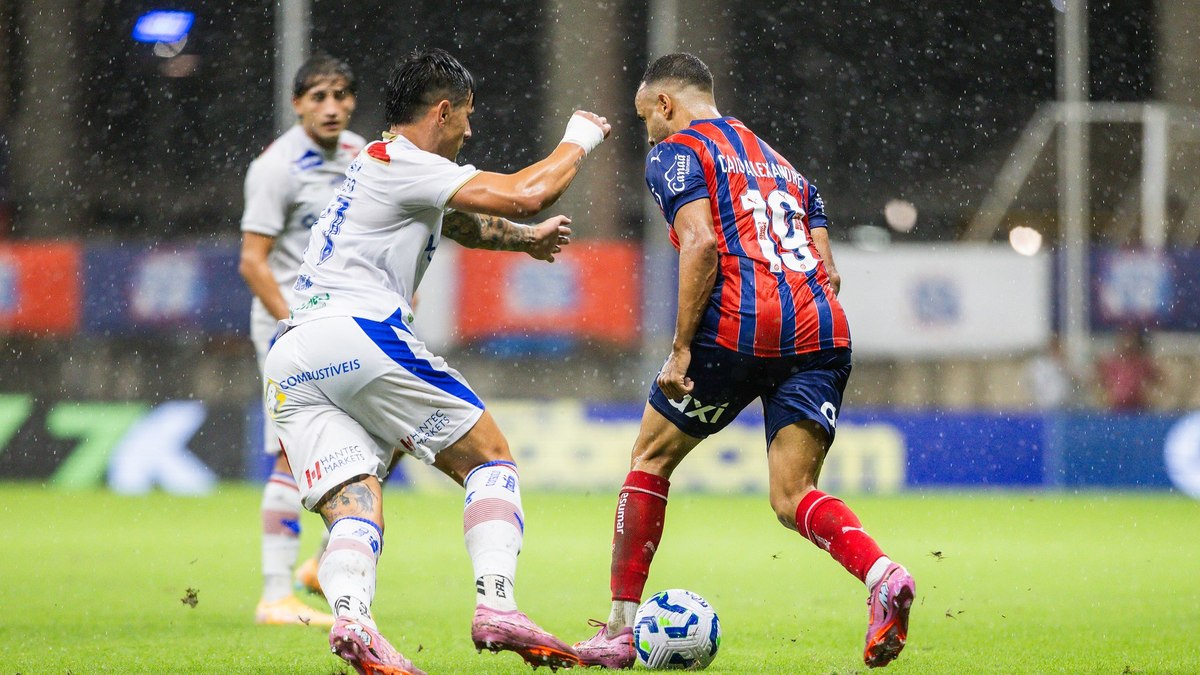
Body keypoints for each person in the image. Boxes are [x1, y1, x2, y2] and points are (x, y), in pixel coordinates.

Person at [263, 47, 610, 673]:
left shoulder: (379, 165)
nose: (470, 130)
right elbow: (526, 193)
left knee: (355, 502)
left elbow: (466, 225)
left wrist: (526, 244)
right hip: (357, 332)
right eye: (467, 116)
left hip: (293, 356)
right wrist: (580, 138)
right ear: (442, 111)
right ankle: (497, 604)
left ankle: (354, 622)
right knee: (490, 458)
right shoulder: (405, 160)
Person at [572, 53, 915, 670]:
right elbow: (827, 267)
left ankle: (621, 633)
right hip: (820, 331)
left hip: (738, 329)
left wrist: (681, 348)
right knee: (793, 496)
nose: (647, 130)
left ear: (665, 105)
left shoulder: (677, 151)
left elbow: (701, 242)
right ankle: (883, 575)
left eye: (645, 116)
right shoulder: (780, 163)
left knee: (650, 458)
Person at [240, 54, 365, 627]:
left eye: (341, 94)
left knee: (378, 438)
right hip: (288, 326)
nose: (332, 106)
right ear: (297, 104)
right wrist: (294, 326)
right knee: (289, 453)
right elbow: (254, 263)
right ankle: (274, 596)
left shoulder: (362, 156)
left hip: (344, 323)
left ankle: (317, 568)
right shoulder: (277, 168)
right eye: (318, 96)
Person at [1096, 327, 1160, 411]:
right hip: (1116, 410)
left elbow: (1161, 381)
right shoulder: (1111, 363)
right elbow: (1097, 383)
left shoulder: (1142, 363)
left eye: (1130, 340)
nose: (1127, 343)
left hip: (1139, 409)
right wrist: (1104, 397)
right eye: (1124, 340)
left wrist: (1150, 395)